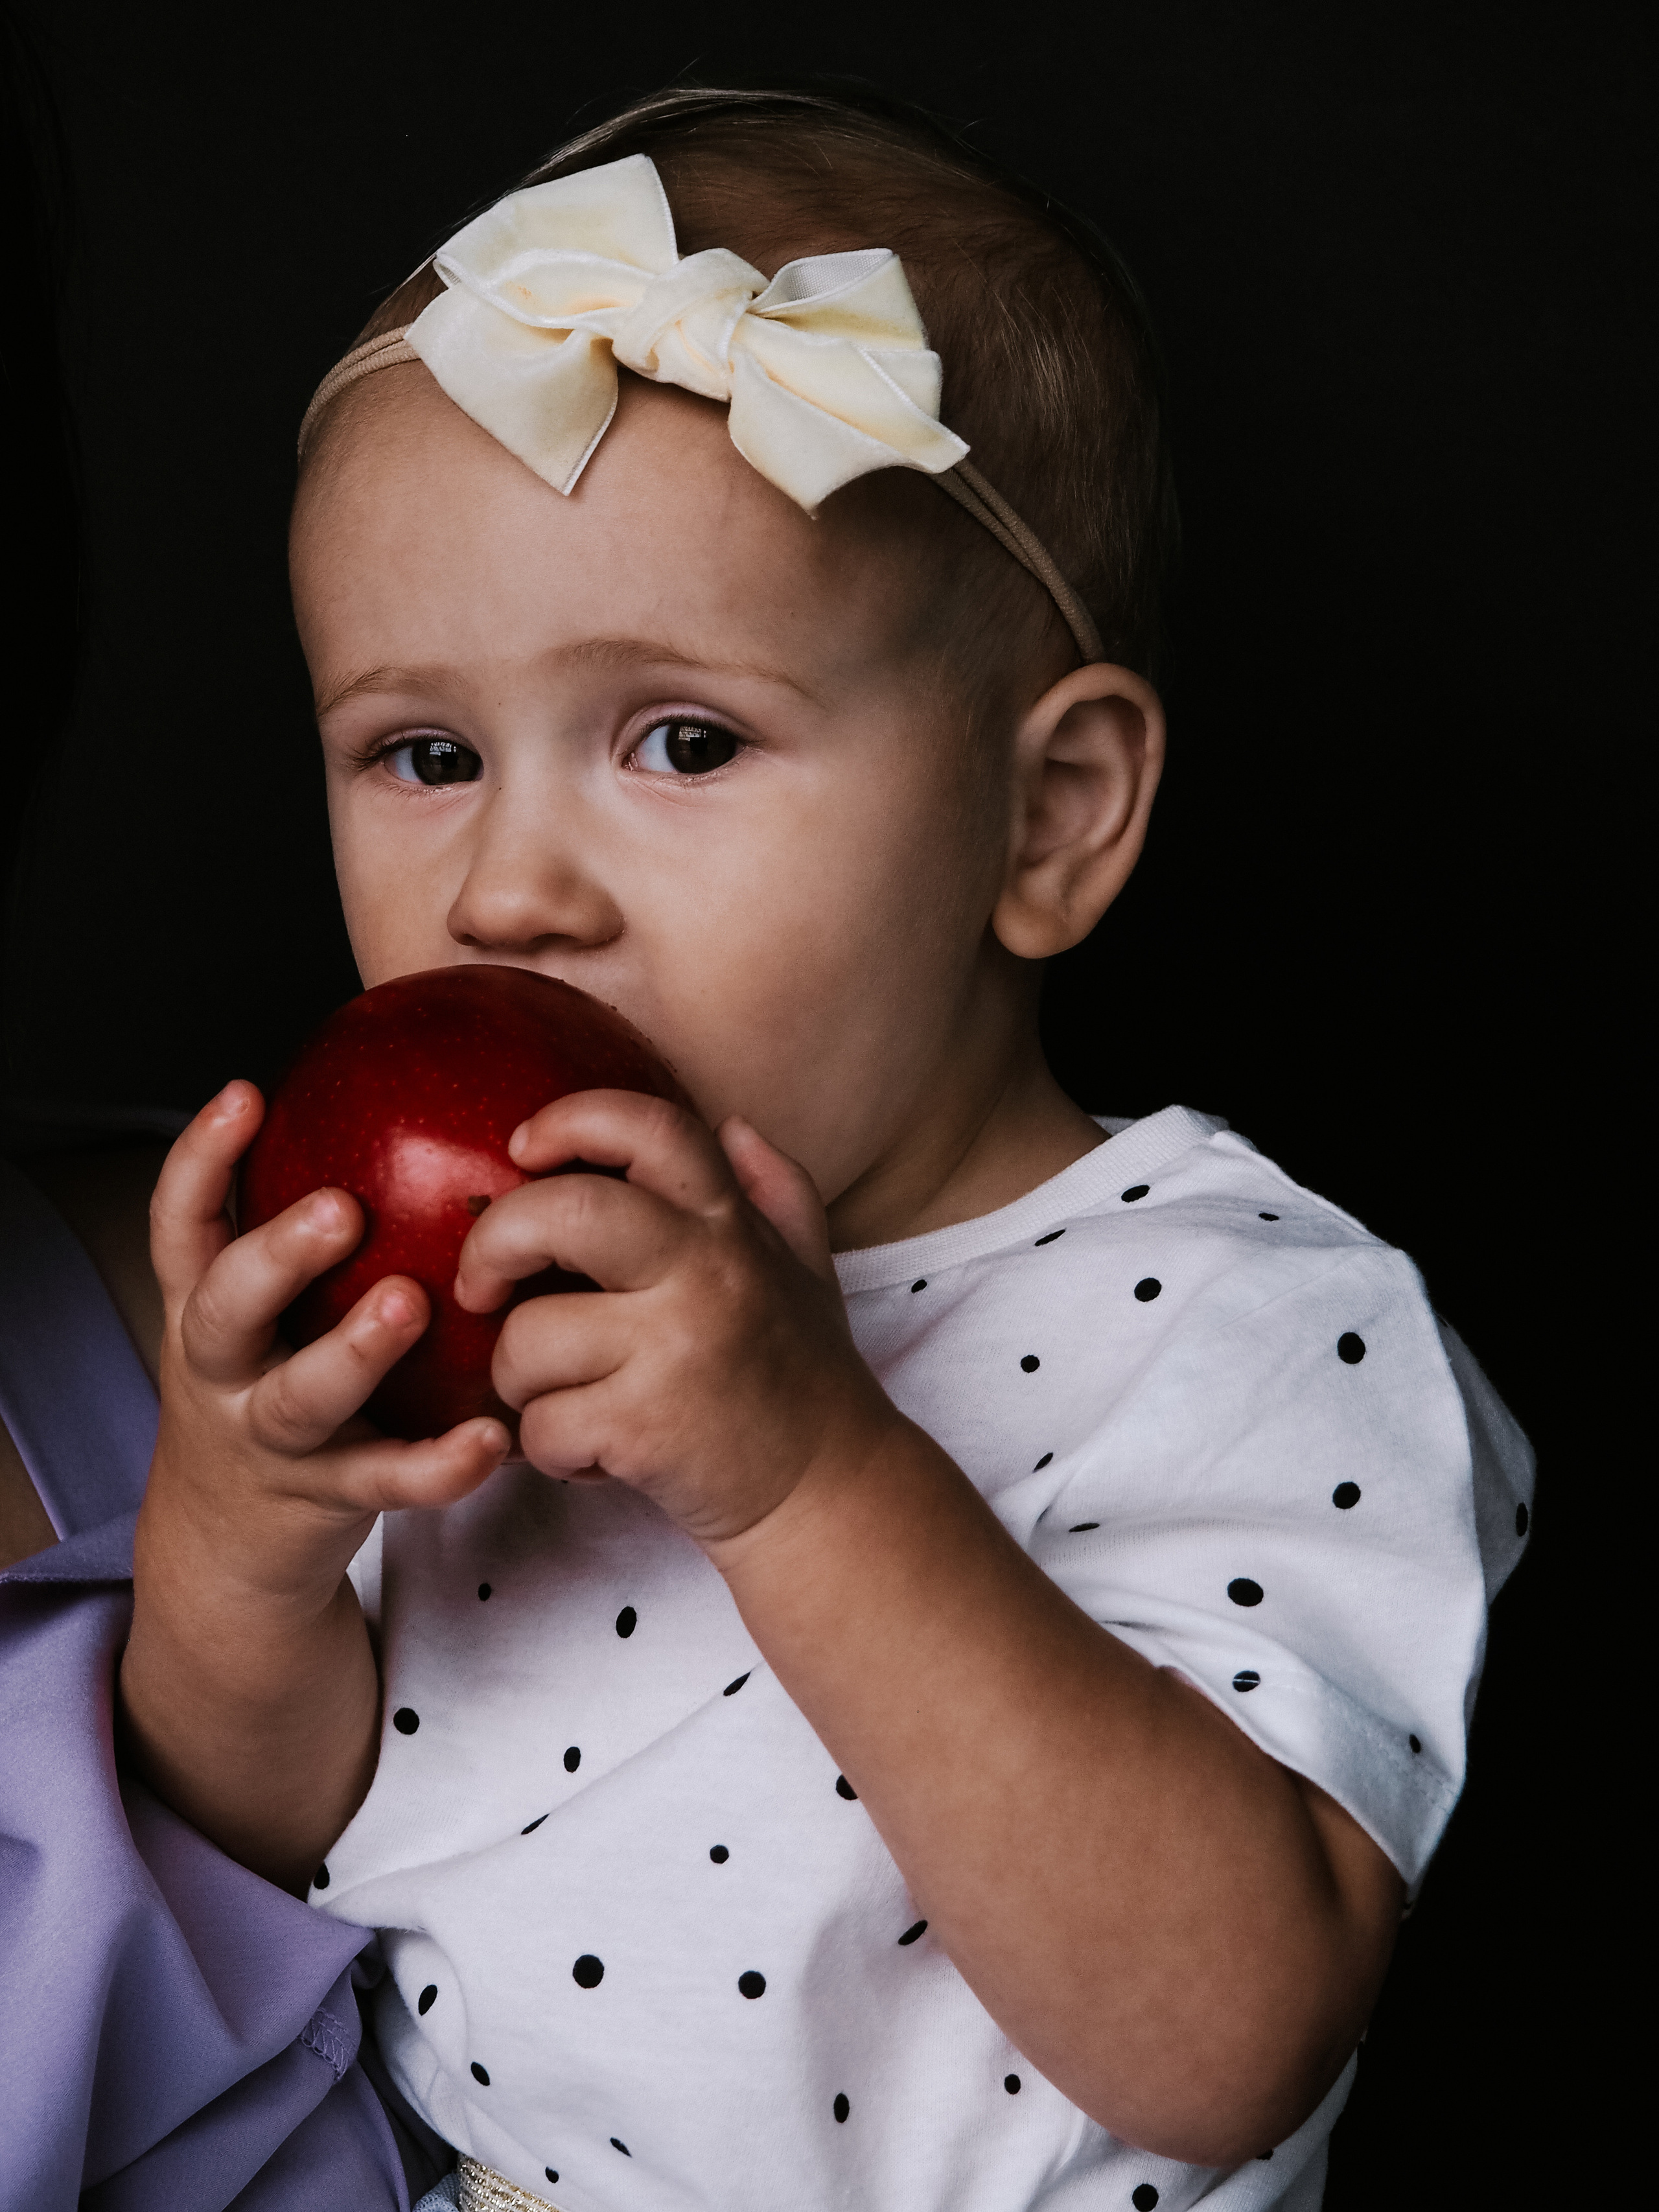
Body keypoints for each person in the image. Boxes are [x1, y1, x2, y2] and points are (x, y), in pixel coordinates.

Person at [2, 85, 1532, 2212]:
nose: (512, 888)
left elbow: (1225, 2043)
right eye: (423, 754)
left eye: (684, 740)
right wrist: (243, 1531)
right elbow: (253, 1844)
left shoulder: (1242, 1327)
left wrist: (812, 1471)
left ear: (1052, 814)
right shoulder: (455, 1307)